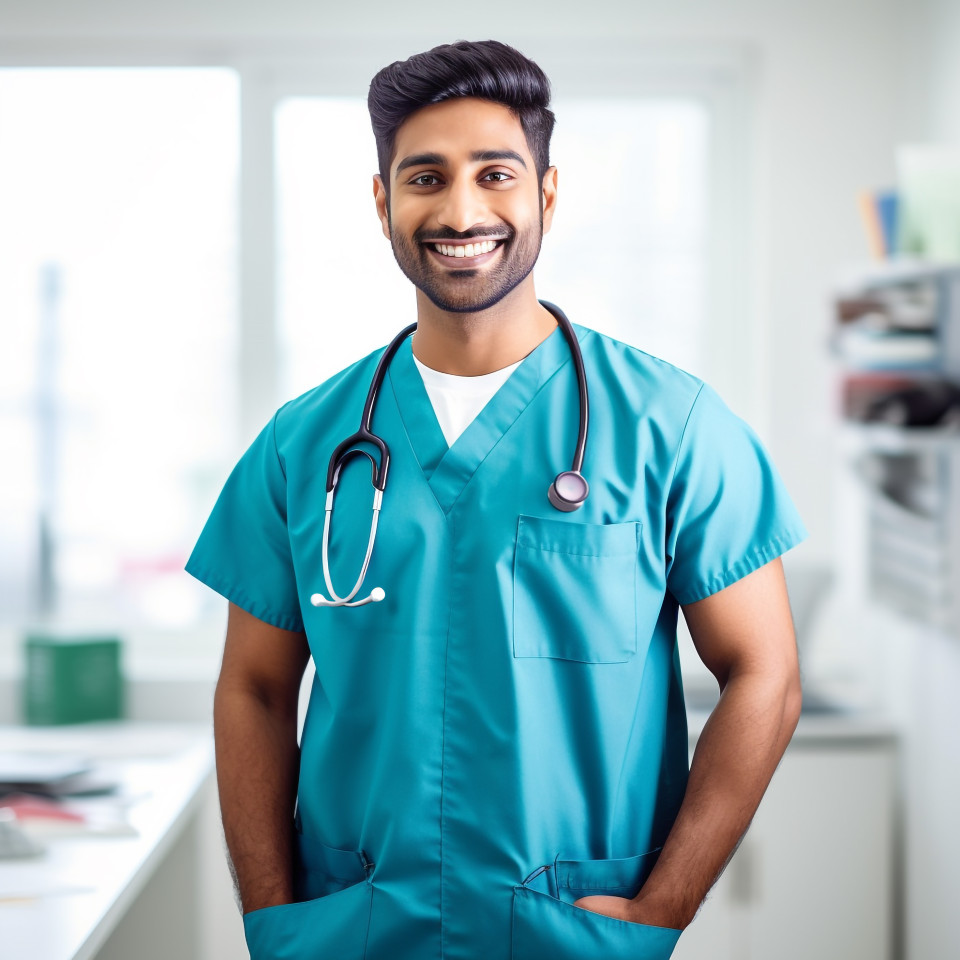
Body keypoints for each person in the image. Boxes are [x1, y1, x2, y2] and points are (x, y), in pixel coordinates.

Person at [186, 38, 808, 960]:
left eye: (496, 173)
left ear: (547, 194)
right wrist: (274, 918)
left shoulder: (672, 427)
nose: (461, 209)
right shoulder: (303, 443)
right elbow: (255, 687)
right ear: (383, 202)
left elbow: (768, 677)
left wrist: (662, 909)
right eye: (426, 177)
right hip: (354, 931)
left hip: (575, 932)